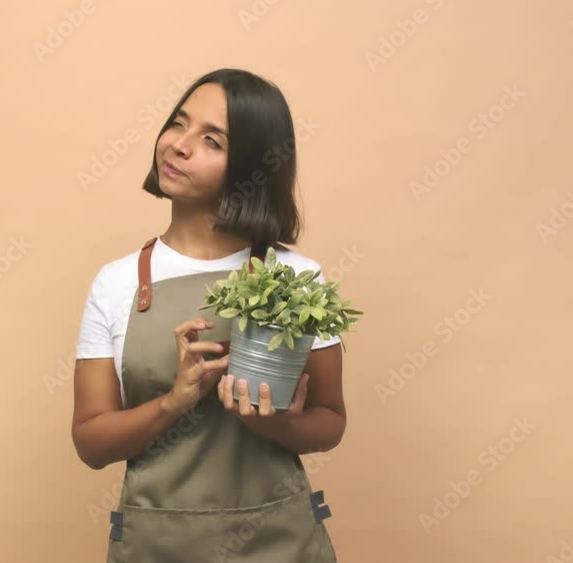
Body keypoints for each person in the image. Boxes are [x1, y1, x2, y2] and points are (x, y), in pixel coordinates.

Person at [72, 68, 345, 563]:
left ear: (252, 167)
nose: (178, 144)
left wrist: (273, 426)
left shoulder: (296, 279)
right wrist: (172, 402)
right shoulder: (116, 284)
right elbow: (91, 442)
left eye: (212, 140)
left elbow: (331, 421)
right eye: (178, 123)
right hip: (157, 546)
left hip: (281, 545)